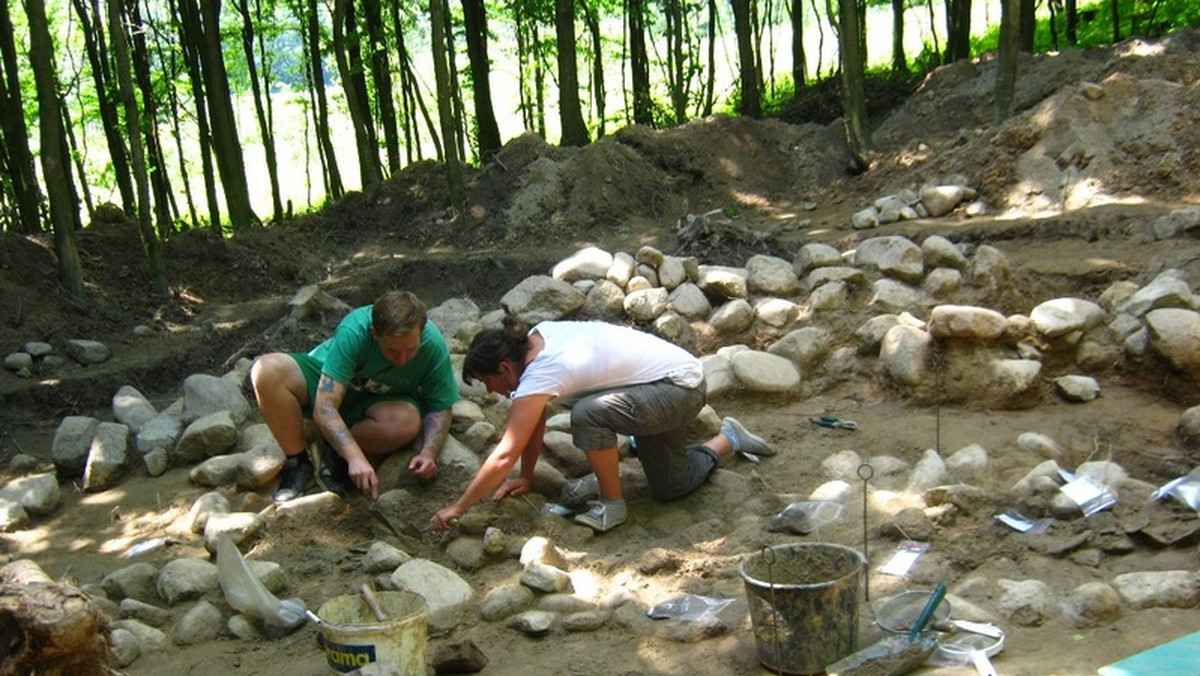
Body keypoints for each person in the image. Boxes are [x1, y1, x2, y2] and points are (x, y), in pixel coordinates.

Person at [430, 318, 773, 533]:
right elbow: (530, 425)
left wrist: (458, 508)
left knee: (588, 414)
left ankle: (613, 506)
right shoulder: (537, 337)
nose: (492, 391)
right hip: (660, 384)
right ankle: (729, 438)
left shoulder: (543, 369)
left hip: (677, 390)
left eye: (488, 381)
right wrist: (527, 476)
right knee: (671, 487)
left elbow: (505, 454)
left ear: (504, 367)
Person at [250, 290, 458, 502]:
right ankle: (298, 463)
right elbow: (325, 407)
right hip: (326, 383)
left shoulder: (433, 346)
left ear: (421, 333)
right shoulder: (355, 330)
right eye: (393, 351)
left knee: (407, 422)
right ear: (375, 333)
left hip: (379, 403)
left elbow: (440, 405)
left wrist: (428, 453)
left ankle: (331, 451)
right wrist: (356, 457)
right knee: (266, 370)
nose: (402, 359)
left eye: (411, 350)